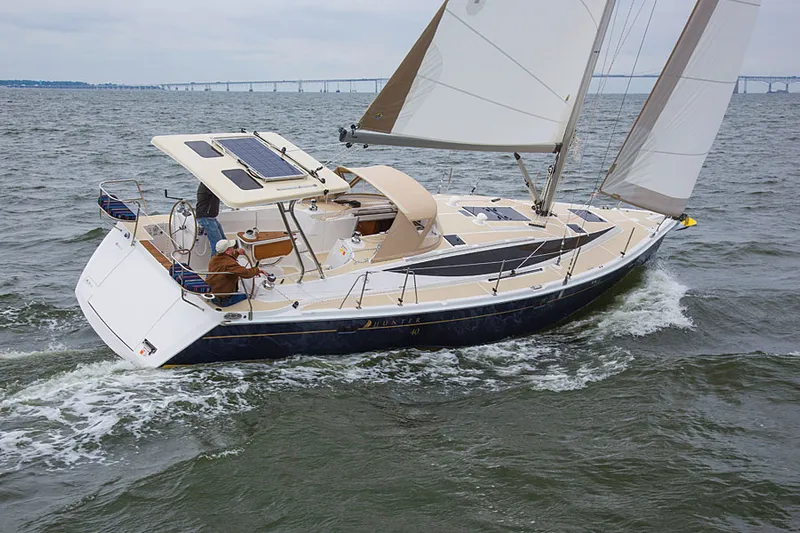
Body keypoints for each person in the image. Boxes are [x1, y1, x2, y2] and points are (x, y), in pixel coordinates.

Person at [206, 239, 266, 307]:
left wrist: (237, 252)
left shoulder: (214, 258)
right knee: (247, 295)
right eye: (231, 247)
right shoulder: (229, 263)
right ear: (227, 251)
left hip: (213, 293)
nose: (233, 248)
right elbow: (246, 273)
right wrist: (257, 270)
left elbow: (227, 259)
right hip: (223, 299)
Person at [196, 183, 225, 254]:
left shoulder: (208, 184)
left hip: (211, 218)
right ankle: (216, 264)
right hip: (206, 218)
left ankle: (222, 263)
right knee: (218, 246)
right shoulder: (208, 185)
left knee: (224, 243)